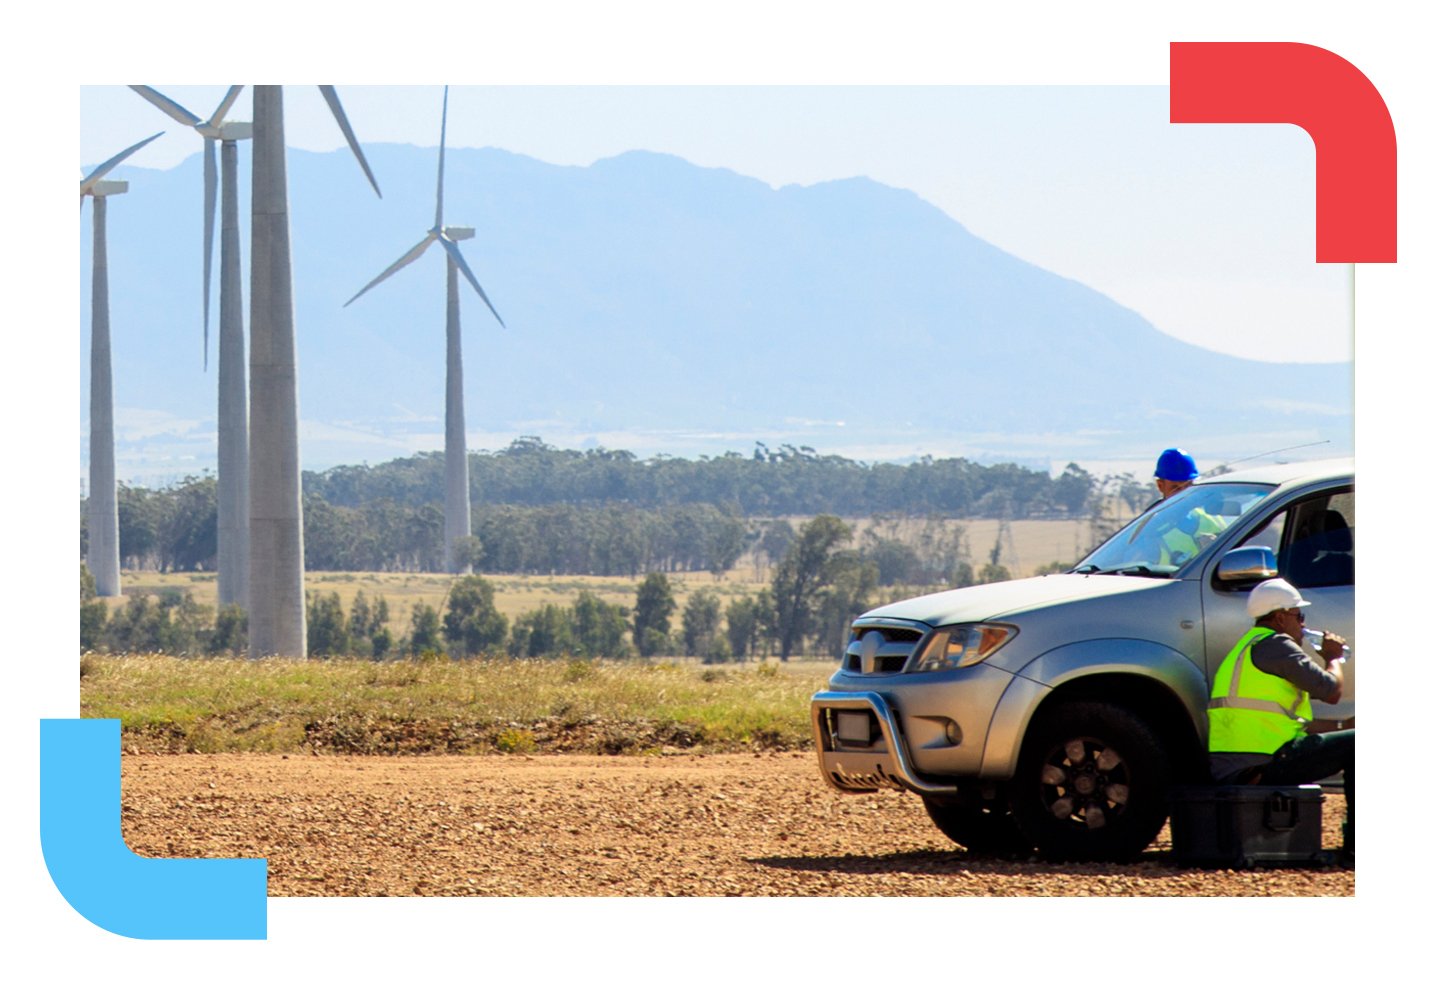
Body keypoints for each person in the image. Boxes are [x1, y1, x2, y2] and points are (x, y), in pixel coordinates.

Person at [1208, 577, 1353, 864]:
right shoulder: (1277, 645)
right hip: (1263, 764)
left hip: (1241, 765)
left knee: (1353, 738)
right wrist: (1334, 658)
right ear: (1279, 617)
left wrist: (1342, 727)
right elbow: (1331, 690)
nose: (1302, 623)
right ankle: (1356, 848)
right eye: (1298, 616)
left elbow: (1286, 724)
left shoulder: (1248, 647)